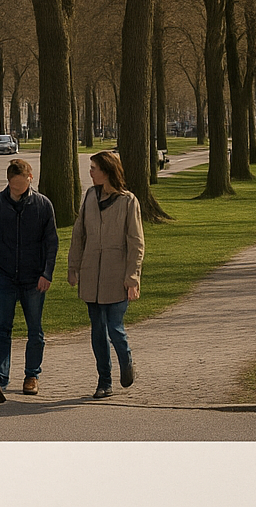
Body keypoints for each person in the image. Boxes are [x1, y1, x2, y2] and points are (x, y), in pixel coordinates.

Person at [0, 158, 58, 402]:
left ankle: (32, 376)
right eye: (14, 186)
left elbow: (51, 242)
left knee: (35, 330)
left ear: (30, 180)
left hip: (34, 279)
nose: (18, 189)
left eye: (22, 185)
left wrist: (47, 274)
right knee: (2, 329)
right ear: (8, 182)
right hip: (4, 277)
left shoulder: (43, 205)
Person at [68, 149, 145, 398]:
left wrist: (132, 278)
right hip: (91, 274)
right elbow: (79, 234)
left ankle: (126, 359)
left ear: (107, 171)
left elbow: (136, 242)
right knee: (97, 331)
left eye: (94, 168)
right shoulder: (90, 195)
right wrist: (74, 266)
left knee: (115, 327)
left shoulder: (128, 201)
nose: (90, 172)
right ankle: (104, 380)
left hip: (117, 274)